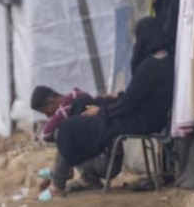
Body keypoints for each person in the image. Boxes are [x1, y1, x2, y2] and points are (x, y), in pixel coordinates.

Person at [56, 17, 175, 190]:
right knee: (81, 103)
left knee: (69, 126)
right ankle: (85, 175)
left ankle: (58, 182)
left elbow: (128, 105)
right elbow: (138, 97)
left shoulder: (149, 67)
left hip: (140, 121)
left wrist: (101, 111)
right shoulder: (166, 61)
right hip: (151, 117)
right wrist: (113, 98)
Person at [30, 85, 92, 196]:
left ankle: (57, 185)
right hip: (103, 156)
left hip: (104, 161)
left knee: (63, 133)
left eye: (46, 112)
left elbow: (45, 134)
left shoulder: (68, 104)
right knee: (70, 133)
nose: (48, 116)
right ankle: (90, 180)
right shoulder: (76, 97)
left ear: (52, 101)